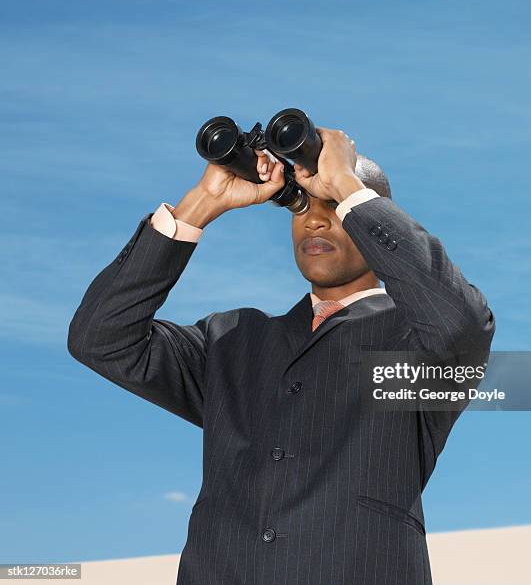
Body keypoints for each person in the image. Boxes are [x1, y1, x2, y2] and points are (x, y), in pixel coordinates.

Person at [67, 127, 495, 585]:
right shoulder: (230, 340)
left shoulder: (418, 342)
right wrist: (201, 204)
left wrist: (346, 185)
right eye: (301, 206)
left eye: (332, 206)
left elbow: (462, 321)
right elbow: (101, 337)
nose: (314, 221)